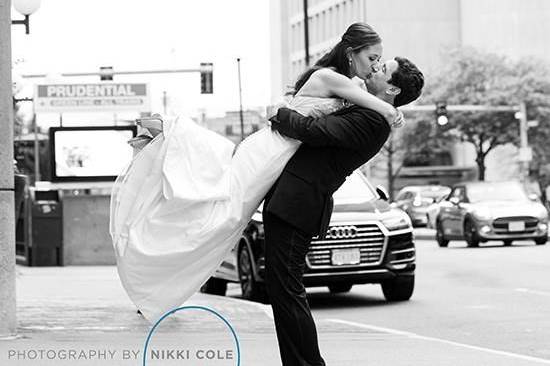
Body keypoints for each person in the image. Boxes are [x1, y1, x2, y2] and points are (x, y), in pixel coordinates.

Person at [109, 22, 421, 328]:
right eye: (373, 59)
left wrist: (389, 106)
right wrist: (391, 111)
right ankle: (170, 138)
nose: (376, 66)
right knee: (224, 204)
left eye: (381, 62)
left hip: (279, 153)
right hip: (272, 150)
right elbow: (368, 104)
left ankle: (168, 144)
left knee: (225, 210)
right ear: (351, 54)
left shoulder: (348, 84)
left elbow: (356, 112)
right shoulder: (332, 77)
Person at [263, 55, 424, 365]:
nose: (376, 67)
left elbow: (313, 131)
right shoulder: (368, 109)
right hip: (292, 201)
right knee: (283, 290)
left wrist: (279, 114)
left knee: (286, 290)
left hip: (297, 204)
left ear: (391, 90)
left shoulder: (372, 121)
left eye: (383, 68)